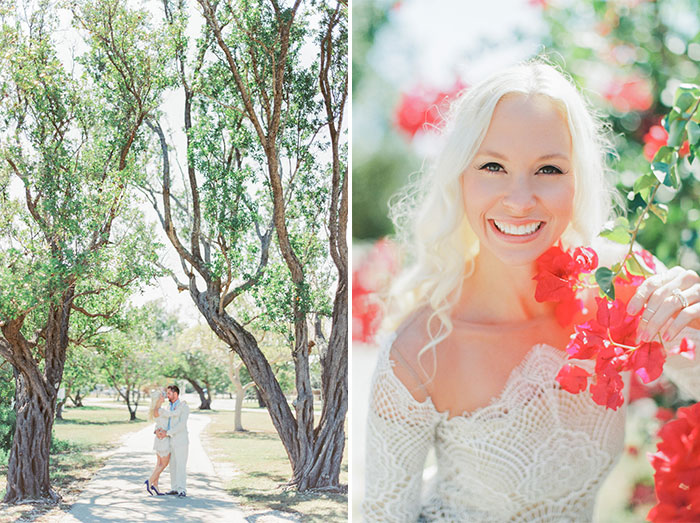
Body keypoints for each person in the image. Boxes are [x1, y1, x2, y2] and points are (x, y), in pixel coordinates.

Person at [363, 60, 700, 521]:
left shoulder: (618, 284)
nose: (520, 199)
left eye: (548, 170)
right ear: (460, 176)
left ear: (577, 178)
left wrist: (695, 324)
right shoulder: (418, 353)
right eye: (493, 166)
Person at [155, 384, 190, 497]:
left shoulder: (183, 406)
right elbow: (162, 421)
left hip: (181, 441)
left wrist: (168, 433)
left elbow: (181, 425)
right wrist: (158, 431)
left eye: (169, 393)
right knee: (173, 465)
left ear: (175, 393)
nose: (167, 396)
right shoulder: (168, 407)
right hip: (170, 441)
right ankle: (174, 488)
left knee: (181, 465)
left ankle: (182, 489)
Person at [144, 390, 170, 496]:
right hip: (163, 439)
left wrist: (156, 430)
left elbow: (159, 423)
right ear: (159, 398)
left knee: (159, 464)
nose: (164, 397)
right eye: (163, 395)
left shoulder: (155, 410)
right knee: (164, 464)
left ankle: (156, 485)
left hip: (158, 439)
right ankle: (150, 481)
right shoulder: (161, 411)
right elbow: (172, 417)